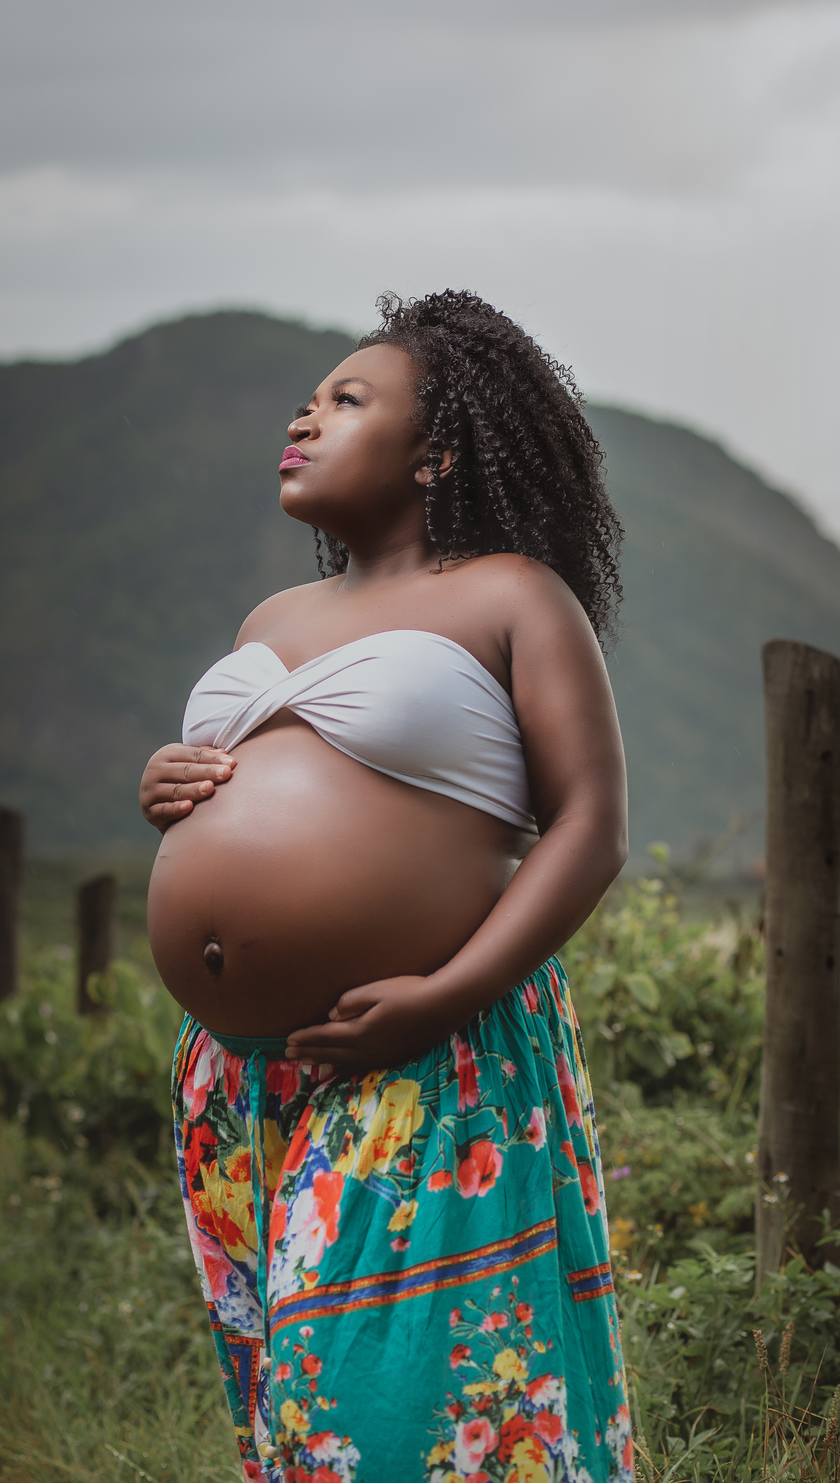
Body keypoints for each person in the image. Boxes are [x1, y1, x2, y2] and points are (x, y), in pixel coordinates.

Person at [139, 290, 633, 1483]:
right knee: (292, 1419)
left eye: (348, 400)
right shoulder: (274, 615)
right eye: (308, 400)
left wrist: (447, 994)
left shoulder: (511, 594)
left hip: (420, 1046)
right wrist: (170, 782)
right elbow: (267, 790)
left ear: (438, 452)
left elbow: (590, 825)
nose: (306, 418)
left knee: (392, 1407)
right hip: (241, 1078)